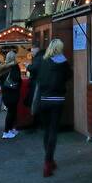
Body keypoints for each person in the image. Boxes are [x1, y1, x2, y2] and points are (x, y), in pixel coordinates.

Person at [28, 40, 70, 176]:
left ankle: (49, 160)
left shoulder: (43, 62)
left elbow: (38, 78)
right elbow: (69, 76)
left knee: (46, 131)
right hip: (57, 100)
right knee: (53, 131)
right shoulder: (64, 62)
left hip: (44, 100)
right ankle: (48, 161)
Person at [0, 48, 23, 139]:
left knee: (11, 111)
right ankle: (6, 131)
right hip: (13, 92)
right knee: (12, 112)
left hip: (5, 92)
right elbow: (17, 79)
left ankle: (10, 129)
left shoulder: (3, 66)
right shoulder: (14, 67)